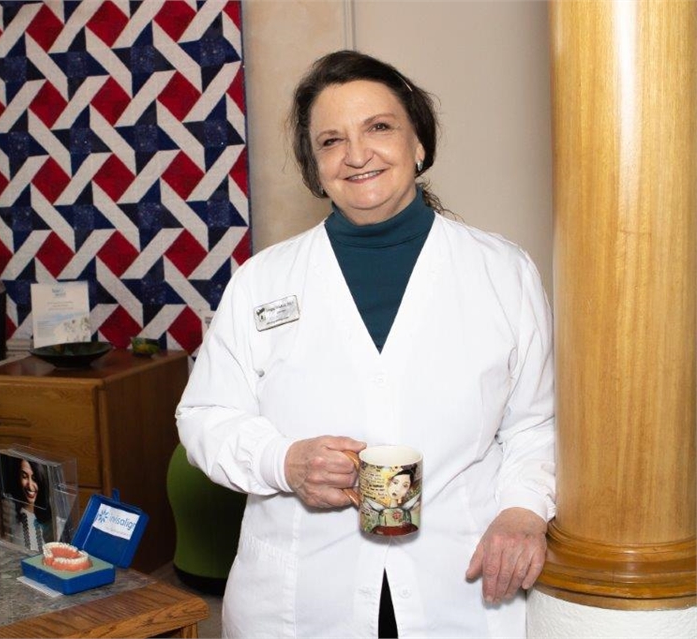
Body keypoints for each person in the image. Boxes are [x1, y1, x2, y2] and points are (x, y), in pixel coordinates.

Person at [176, 50, 555, 638]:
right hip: (302, 598)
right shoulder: (263, 281)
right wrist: (284, 461)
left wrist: (524, 510)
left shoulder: (504, 272)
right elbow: (204, 416)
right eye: (331, 140)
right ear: (314, 165)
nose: (356, 155)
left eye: (379, 127)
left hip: (460, 586)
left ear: (418, 144)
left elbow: (536, 424)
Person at [1, 456, 54, 552]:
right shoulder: (11, 511)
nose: (30, 485)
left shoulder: (51, 518)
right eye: (24, 476)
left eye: (34, 478)